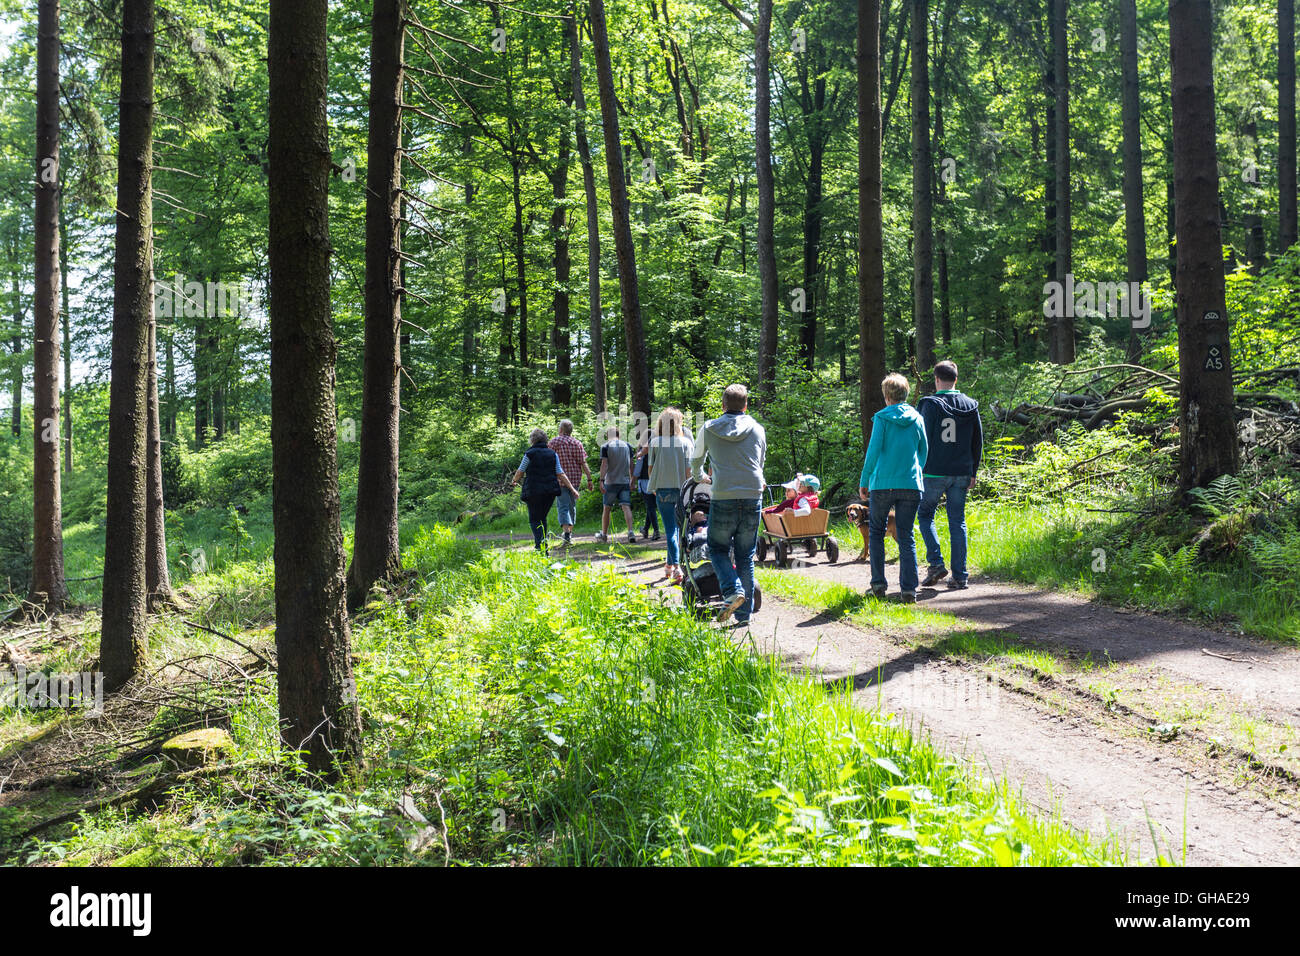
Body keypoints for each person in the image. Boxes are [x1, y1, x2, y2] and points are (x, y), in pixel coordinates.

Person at [692, 383, 766, 625]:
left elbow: (696, 461)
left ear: (723, 405)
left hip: (723, 493)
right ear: (746, 405)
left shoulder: (709, 428)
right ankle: (744, 615)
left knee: (717, 548)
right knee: (746, 554)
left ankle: (733, 589)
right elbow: (760, 462)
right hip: (752, 492)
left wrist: (700, 477)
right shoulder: (757, 428)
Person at [858, 373, 928, 603]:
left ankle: (878, 585)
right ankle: (909, 590)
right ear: (905, 394)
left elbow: (874, 451)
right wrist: (915, 472)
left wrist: (865, 480)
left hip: (883, 484)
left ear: (887, 396)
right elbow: (924, 450)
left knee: (877, 533)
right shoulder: (917, 418)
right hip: (911, 484)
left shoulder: (882, 418)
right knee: (906, 535)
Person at [917, 360, 983, 590]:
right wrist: (973, 471)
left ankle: (936, 563)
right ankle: (960, 576)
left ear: (937, 380)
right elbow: (978, 441)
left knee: (925, 515)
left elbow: (921, 438)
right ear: (956, 379)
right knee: (958, 521)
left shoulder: (929, 404)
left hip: (933, 471)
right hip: (962, 471)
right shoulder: (970, 405)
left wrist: (916, 467)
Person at [512, 427, 581, 551]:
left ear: (532, 440)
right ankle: (543, 544)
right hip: (550, 492)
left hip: (533, 491)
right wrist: (572, 488)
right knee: (542, 517)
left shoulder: (529, 454)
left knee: (534, 519)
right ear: (545, 440)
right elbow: (560, 473)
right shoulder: (552, 454)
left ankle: (540, 546)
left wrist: (514, 480)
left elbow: (520, 470)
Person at [648, 407, 694, 582]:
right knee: (676, 530)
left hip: (662, 490)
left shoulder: (655, 443)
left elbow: (650, 468)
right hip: (682, 490)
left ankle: (675, 567)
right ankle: (671, 565)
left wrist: (654, 485)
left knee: (670, 530)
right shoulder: (686, 443)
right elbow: (689, 470)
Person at [549, 419, 595, 547]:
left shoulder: (554, 442)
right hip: (575, 480)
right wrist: (590, 479)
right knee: (571, 506)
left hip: (559, 480)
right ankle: (569, 533)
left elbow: (548, 459)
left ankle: (567, 535)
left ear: (561, 430)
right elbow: (583, 463)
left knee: (563, 506)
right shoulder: (577, 443)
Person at [596, 425, 637, 544]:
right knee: (626, 506)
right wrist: (632, 480)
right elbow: (631, 465)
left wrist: (601, 480)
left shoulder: (606, 446)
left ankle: (604, 535)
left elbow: (604, 464)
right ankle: (630, 532)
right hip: (624, 482)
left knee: (607, 508)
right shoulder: (628, 446)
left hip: (610, 482)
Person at [633, 441, 660, 541]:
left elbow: (638, 468)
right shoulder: (658, 449)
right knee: (651, 505)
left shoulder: (642, 452)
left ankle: (656, 530)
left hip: (645, 480)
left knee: (650, 506)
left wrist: (632, 481)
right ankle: (645, 529)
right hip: (657, 479)